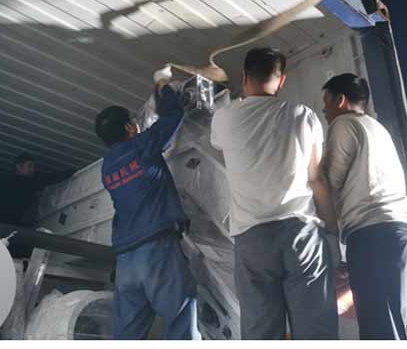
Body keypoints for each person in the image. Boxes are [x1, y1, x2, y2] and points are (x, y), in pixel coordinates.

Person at [210, 47, 339, 339]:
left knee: (261, 333)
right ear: (282, 80)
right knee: (317, 332)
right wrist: (332, 232)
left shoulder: (224, 119)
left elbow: (218, 143)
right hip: (301, 236)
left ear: (245, 77)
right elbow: (317, 180)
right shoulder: (303, 116)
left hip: (252, 240)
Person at [320, 73, 407, 340]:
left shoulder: (343, 124)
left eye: (326, 104)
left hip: (375, 240)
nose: (324, 112)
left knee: (383, 335)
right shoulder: (377, 128)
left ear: (340, 100)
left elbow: (329, 182)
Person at [94, 77, 200, 340]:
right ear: (130, 127)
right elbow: (173, 116)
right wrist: (163, 87)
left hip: (126, 261)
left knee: (127, 336)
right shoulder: (141, 146)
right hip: (157, 252)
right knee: (180, 323)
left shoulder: (107, 167)